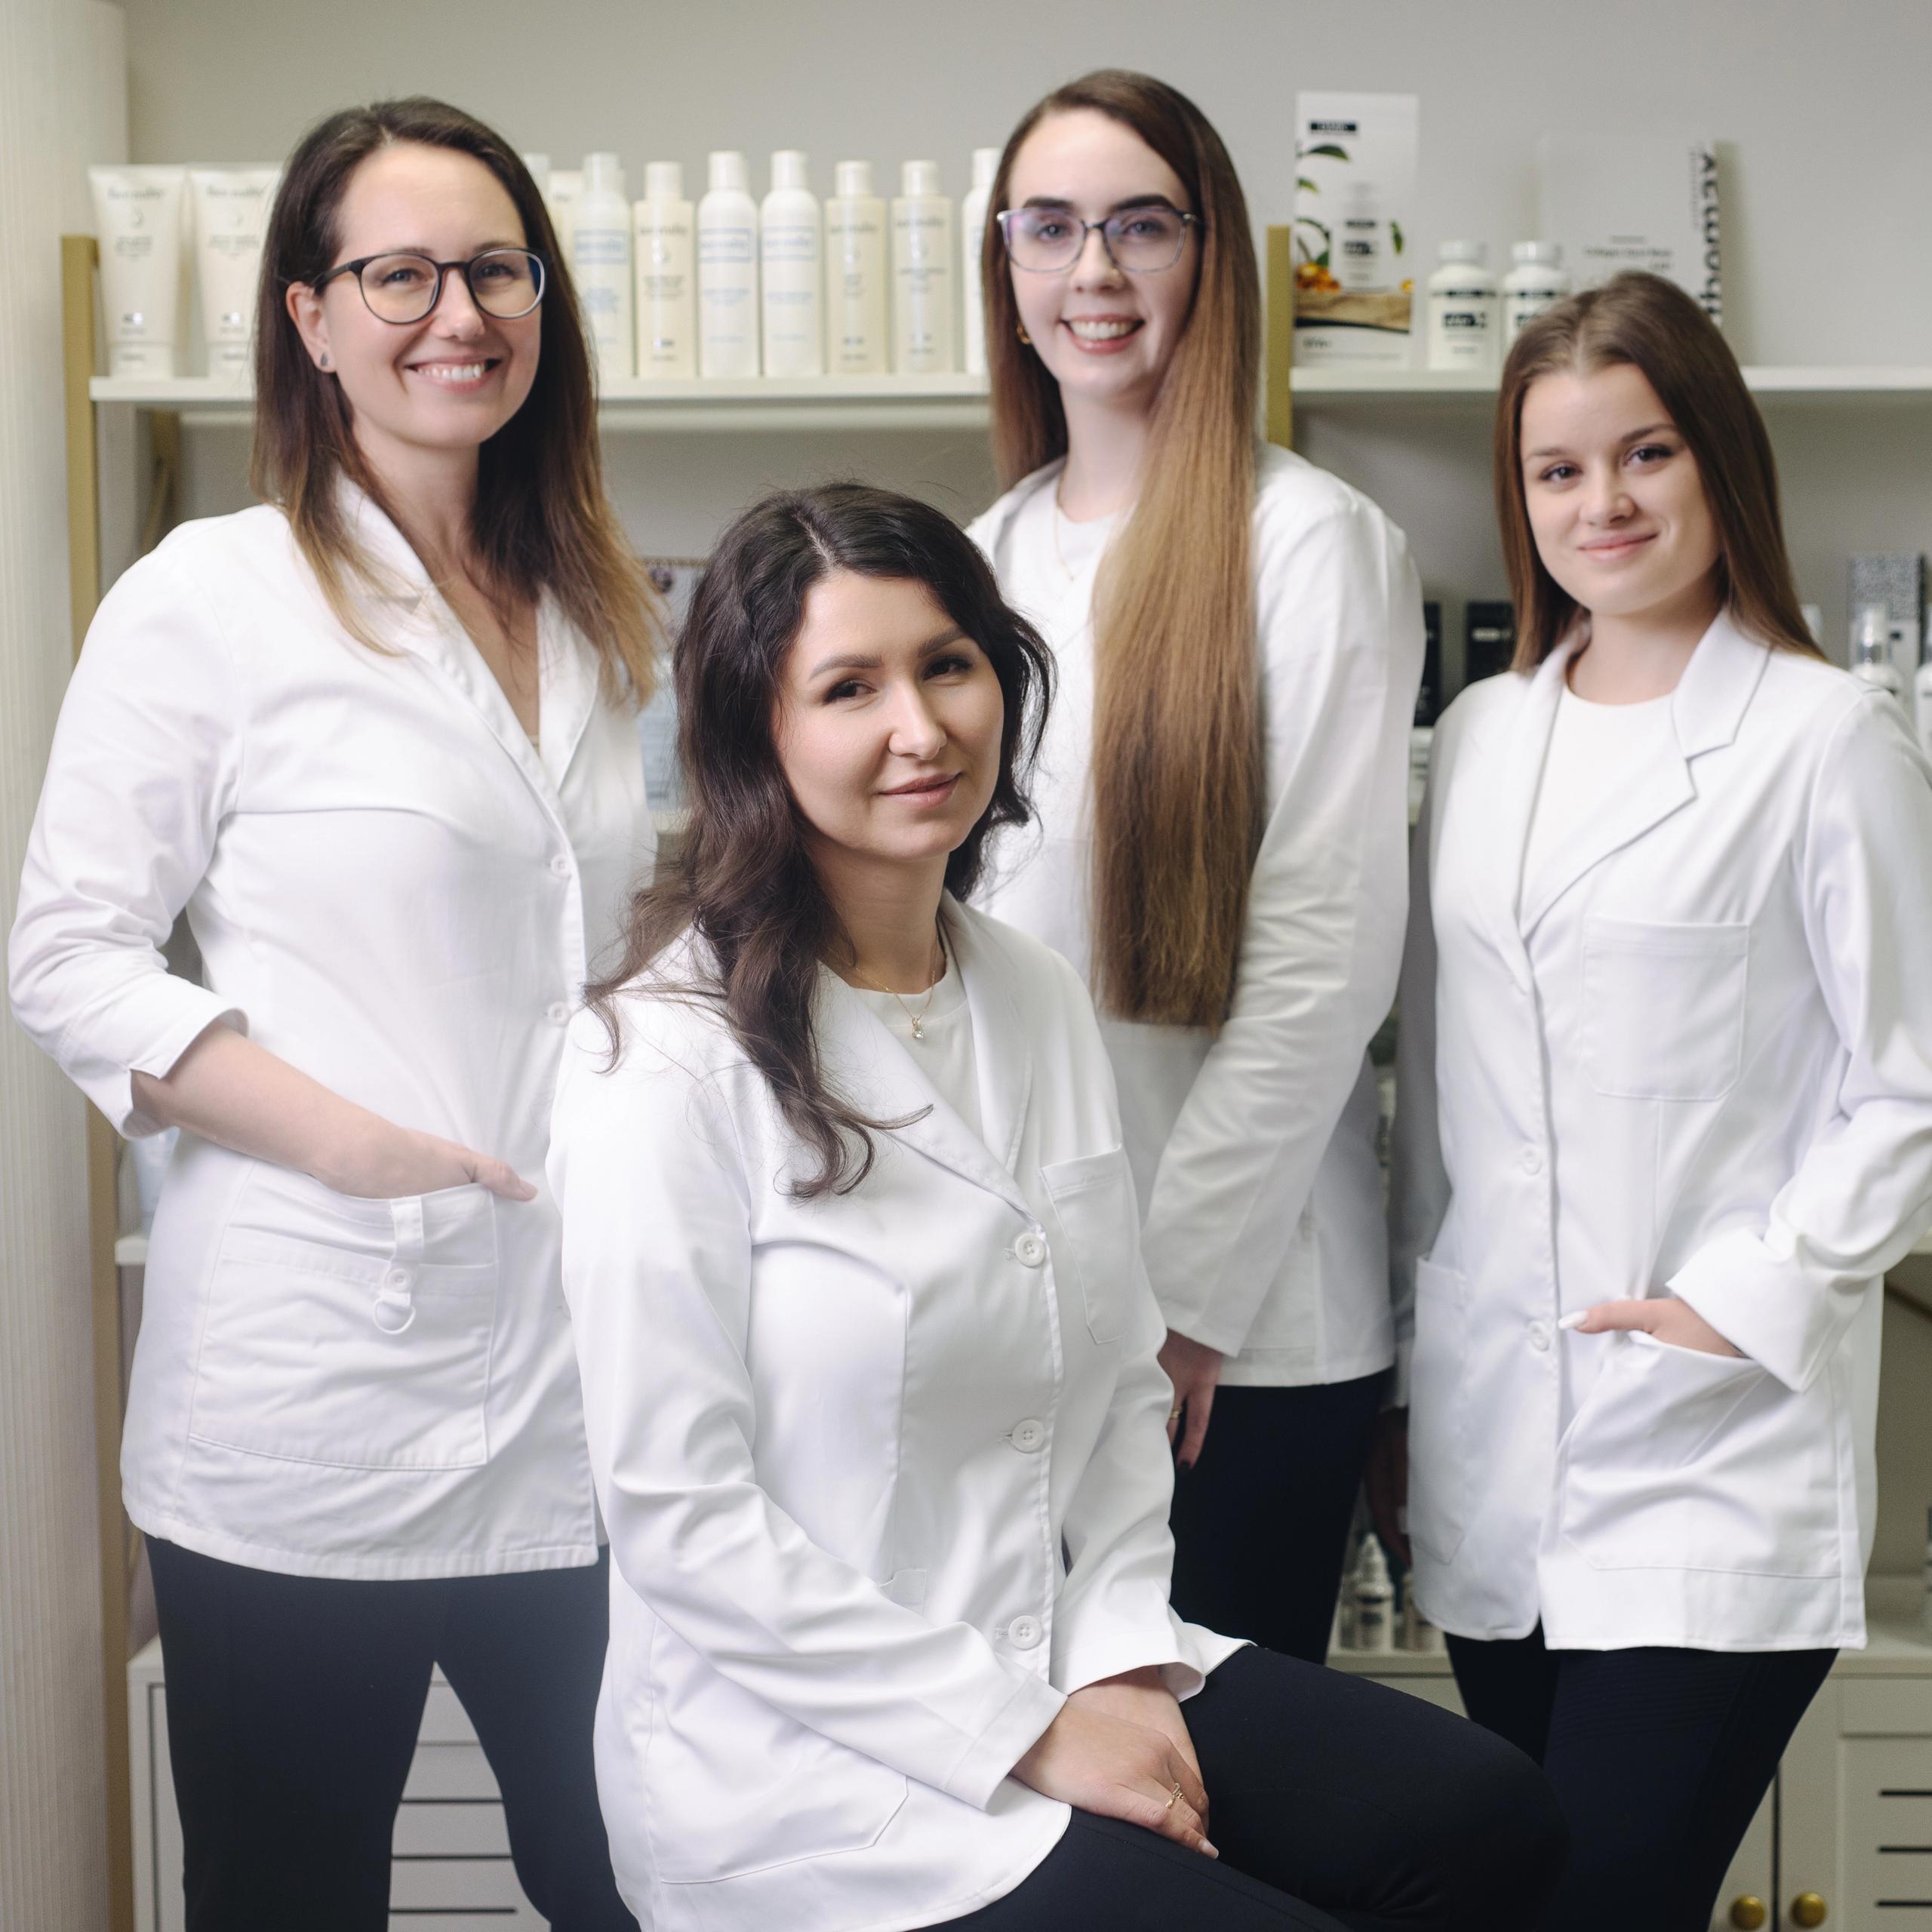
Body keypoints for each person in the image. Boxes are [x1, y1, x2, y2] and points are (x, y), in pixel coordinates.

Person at [549, 481, 1564, 1932]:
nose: (922, 727)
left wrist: (1118, 1662)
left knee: (1488, 1819)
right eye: (849, 687)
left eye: (948, 664)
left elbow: (1110, 1396)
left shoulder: (1023, 990)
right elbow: (681, 1524)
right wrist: (1024, 1731)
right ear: (754, 736)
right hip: (811, 1767)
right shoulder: (664, 1059)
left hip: (1057, 1644)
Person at [9, 97, 654, 1931]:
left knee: (634, 1876)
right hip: (308, 1401)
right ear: (307, 316)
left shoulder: (586, 604)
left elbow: (581, 941)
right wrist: (346, 1139)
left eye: (497, 268)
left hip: (575, 1391)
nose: (459, 313)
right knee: (293, 1900)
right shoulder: (209, 596)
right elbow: (65, 950)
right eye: (399, 272)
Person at [1386, 270, 1932, 1932]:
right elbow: (1442, 1079)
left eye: (1642, 455)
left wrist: (1729, 1298)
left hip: (1707, 1442)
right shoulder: (1479, 732)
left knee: (1603, 1899)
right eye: (1556, 469)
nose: (1599, 503)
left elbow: (1909, 1080)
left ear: (1716, 464)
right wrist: (1416, 1380)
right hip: (1497, 1433)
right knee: (1534, 1886)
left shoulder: (1823, 736)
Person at [964, 71, 1424, 1663]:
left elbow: (1321, 960)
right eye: (1051, 228)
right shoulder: (983, 552)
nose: (1093, 270)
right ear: (1006, 270)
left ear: (1210, 260)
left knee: (1215, 1827)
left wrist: (1168, 1309)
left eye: (1139, 225)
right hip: (1027, 1325)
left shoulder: (1309, 545)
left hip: (1228, 1341)